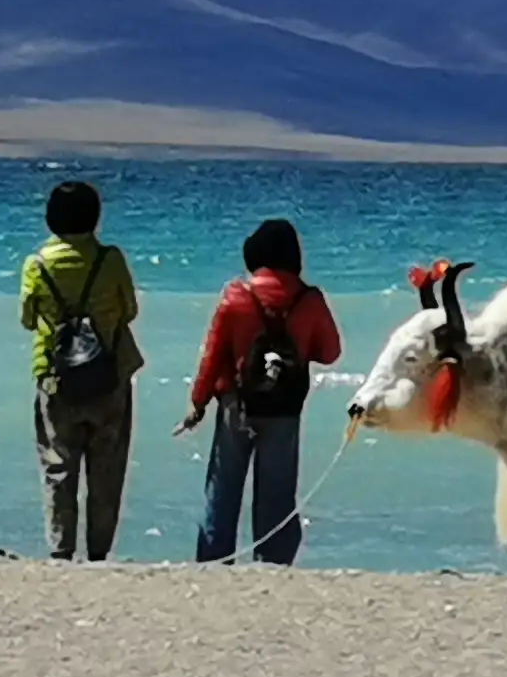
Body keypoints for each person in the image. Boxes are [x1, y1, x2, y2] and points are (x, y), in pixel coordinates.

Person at [180, 218, 339, 566]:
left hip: (237, 405)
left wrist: (198, 403)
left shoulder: (237, 296)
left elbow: (213, 354)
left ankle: (213, 559)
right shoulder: (310, 300)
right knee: (277, 493)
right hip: (284, 408)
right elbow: (331, 352)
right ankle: (273, 561)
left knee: (222, 490)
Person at [18, 179, 143, 560]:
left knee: (58, 465)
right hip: (109, 375)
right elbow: (130, 312)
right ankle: (99, 554)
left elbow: (27, 319)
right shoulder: (111, 260)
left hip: (56, 377)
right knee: (107, 470)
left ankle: (61, 550)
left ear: (50, 220)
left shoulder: (36, 265)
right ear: (96, 218)